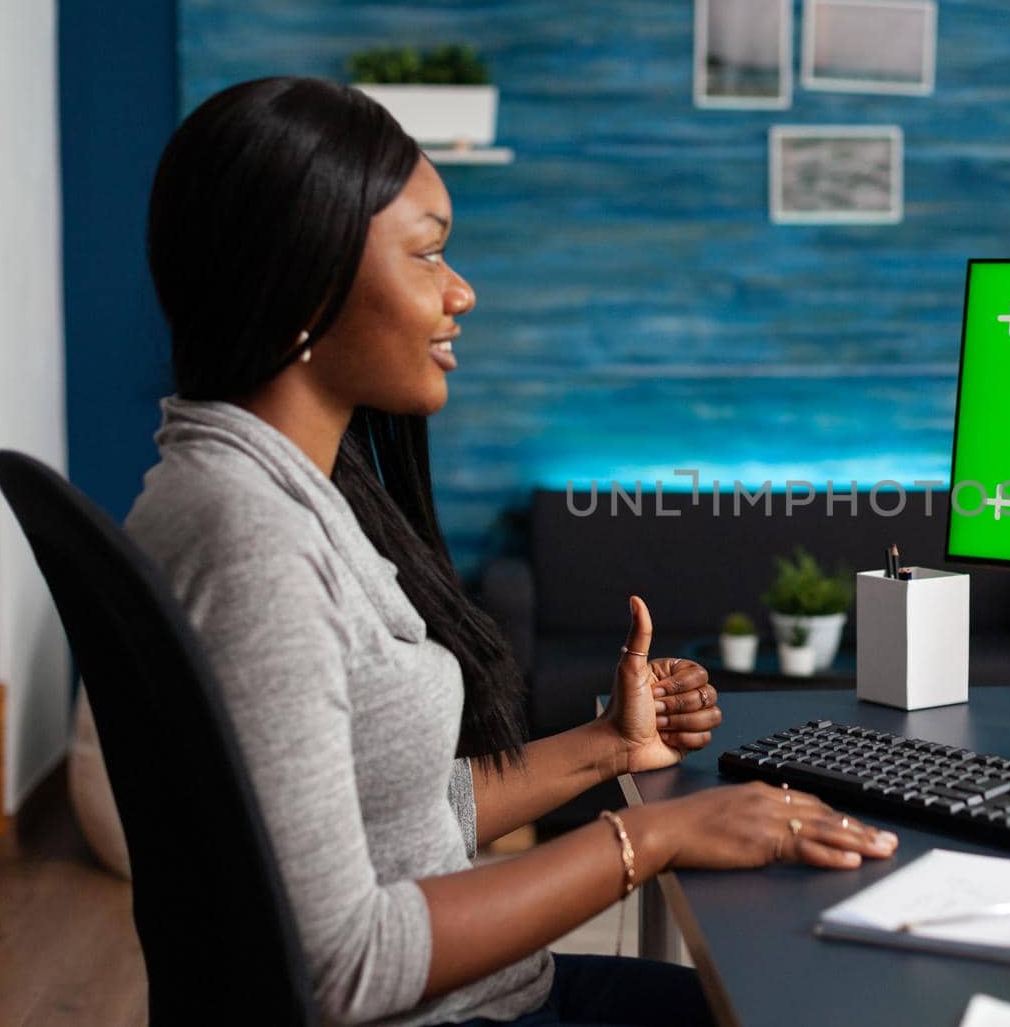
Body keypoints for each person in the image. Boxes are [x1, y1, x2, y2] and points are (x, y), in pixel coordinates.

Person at [127, 76, 898, 1027]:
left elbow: (400, 817)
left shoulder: (276, 492)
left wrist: (607, 746)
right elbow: (341, 961)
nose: (462, 291)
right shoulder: (253, 542)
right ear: (308, 281)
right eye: (429, 254)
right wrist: (649, 835)